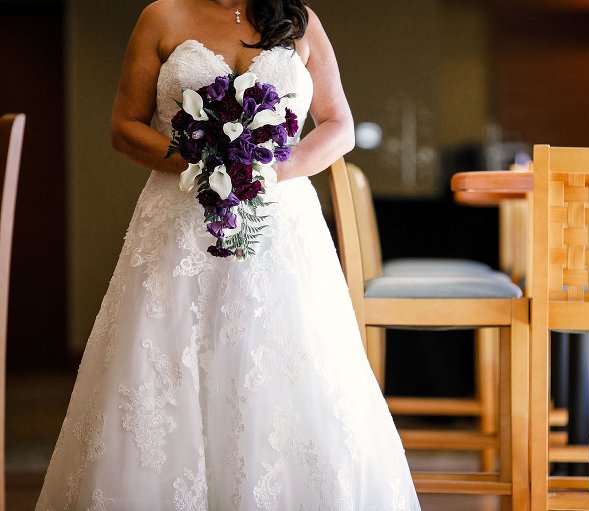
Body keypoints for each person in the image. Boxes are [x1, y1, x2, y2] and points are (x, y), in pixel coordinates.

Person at [36, 0, 421, 509]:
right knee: (170, 363)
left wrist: (272, 171)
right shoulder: (162, 16)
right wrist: (199, 165)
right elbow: (125, 126)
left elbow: (338, 125)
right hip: (180, 225)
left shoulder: (298, 18)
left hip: (280, 227)